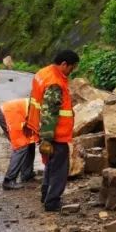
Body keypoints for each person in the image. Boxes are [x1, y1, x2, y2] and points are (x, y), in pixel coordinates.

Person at [25, 49, 79, 212]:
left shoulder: (43, 73)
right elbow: (50, 112)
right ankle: (52, 201)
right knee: (59, 170)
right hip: (56, 134)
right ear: (63, 64)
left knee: (50, 165)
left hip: (42, 129)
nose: (72, 71)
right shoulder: (55, 82)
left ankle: (45, 194)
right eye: (71, 67)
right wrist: (48, 138)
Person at [0, 97, 37, 189]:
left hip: (19, 114)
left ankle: (27, 174)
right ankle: (9, 180)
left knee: (30, 142)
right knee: (21, 146)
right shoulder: (45, 109)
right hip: (10, 114)